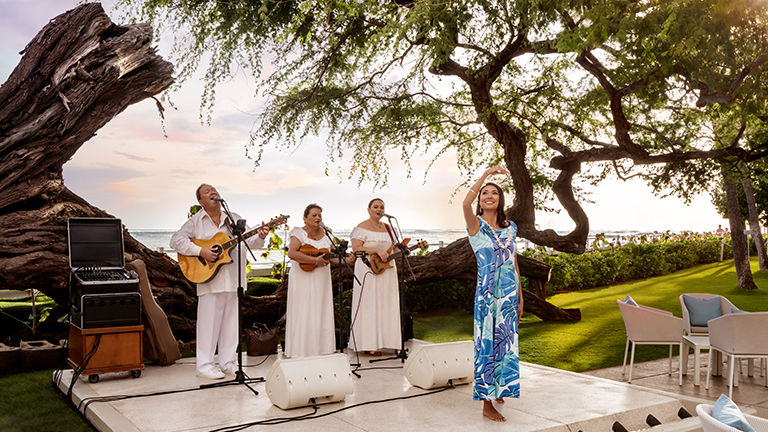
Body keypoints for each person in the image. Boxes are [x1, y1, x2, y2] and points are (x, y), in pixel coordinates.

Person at [170, 184, 268, 379]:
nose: (212, 192)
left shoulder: (234, 218)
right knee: (208, 323)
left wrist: (261, 236)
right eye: (207, 191)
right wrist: (201, 251)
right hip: (208, 279)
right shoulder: (196, 221)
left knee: (231, 323)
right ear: (201, 201)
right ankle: (204, 365)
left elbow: (250, 243)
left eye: (214, 189)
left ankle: (228, 362)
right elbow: (176, 240)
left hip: (233, 279)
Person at [462, 165, 523, 422]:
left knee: (506, 344)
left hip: (508, 292)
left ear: (500, 200)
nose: (489, 195)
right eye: (484, 193)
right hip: (487, 294)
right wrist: (486, 175)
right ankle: (486, 403)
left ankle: (501, 387)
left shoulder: (511, 228)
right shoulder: (475, 225)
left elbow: (514, 261)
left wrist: (520, 296)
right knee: (487, 344)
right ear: (480, 200)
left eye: (494, 193)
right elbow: (465, 202)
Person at [348, 198, 401, 355]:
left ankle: (392, 342)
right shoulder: (361, 227)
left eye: (382, 207)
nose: (379, 209)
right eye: (376, 207)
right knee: (369, 304)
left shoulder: (389, 228)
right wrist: (376, 250)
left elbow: (394, 249)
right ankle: (369, 344)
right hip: (367, 269)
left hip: (388, 270)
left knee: (388, 304)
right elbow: (356, 248)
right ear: (369, 209)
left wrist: (401, 251)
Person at [284, 204, 336, 357]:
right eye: (314, 215)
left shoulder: (326, 235)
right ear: (305, 218)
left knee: (321, 310)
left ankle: (322, 349)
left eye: (320, 215)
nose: (318, 218)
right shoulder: (298, 233)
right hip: (303, 279)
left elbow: (332, 258)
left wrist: (348, 258)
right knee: (304, 309)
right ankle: (301, 350)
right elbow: (292, 253)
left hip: (322, 281)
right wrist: (314, 261)